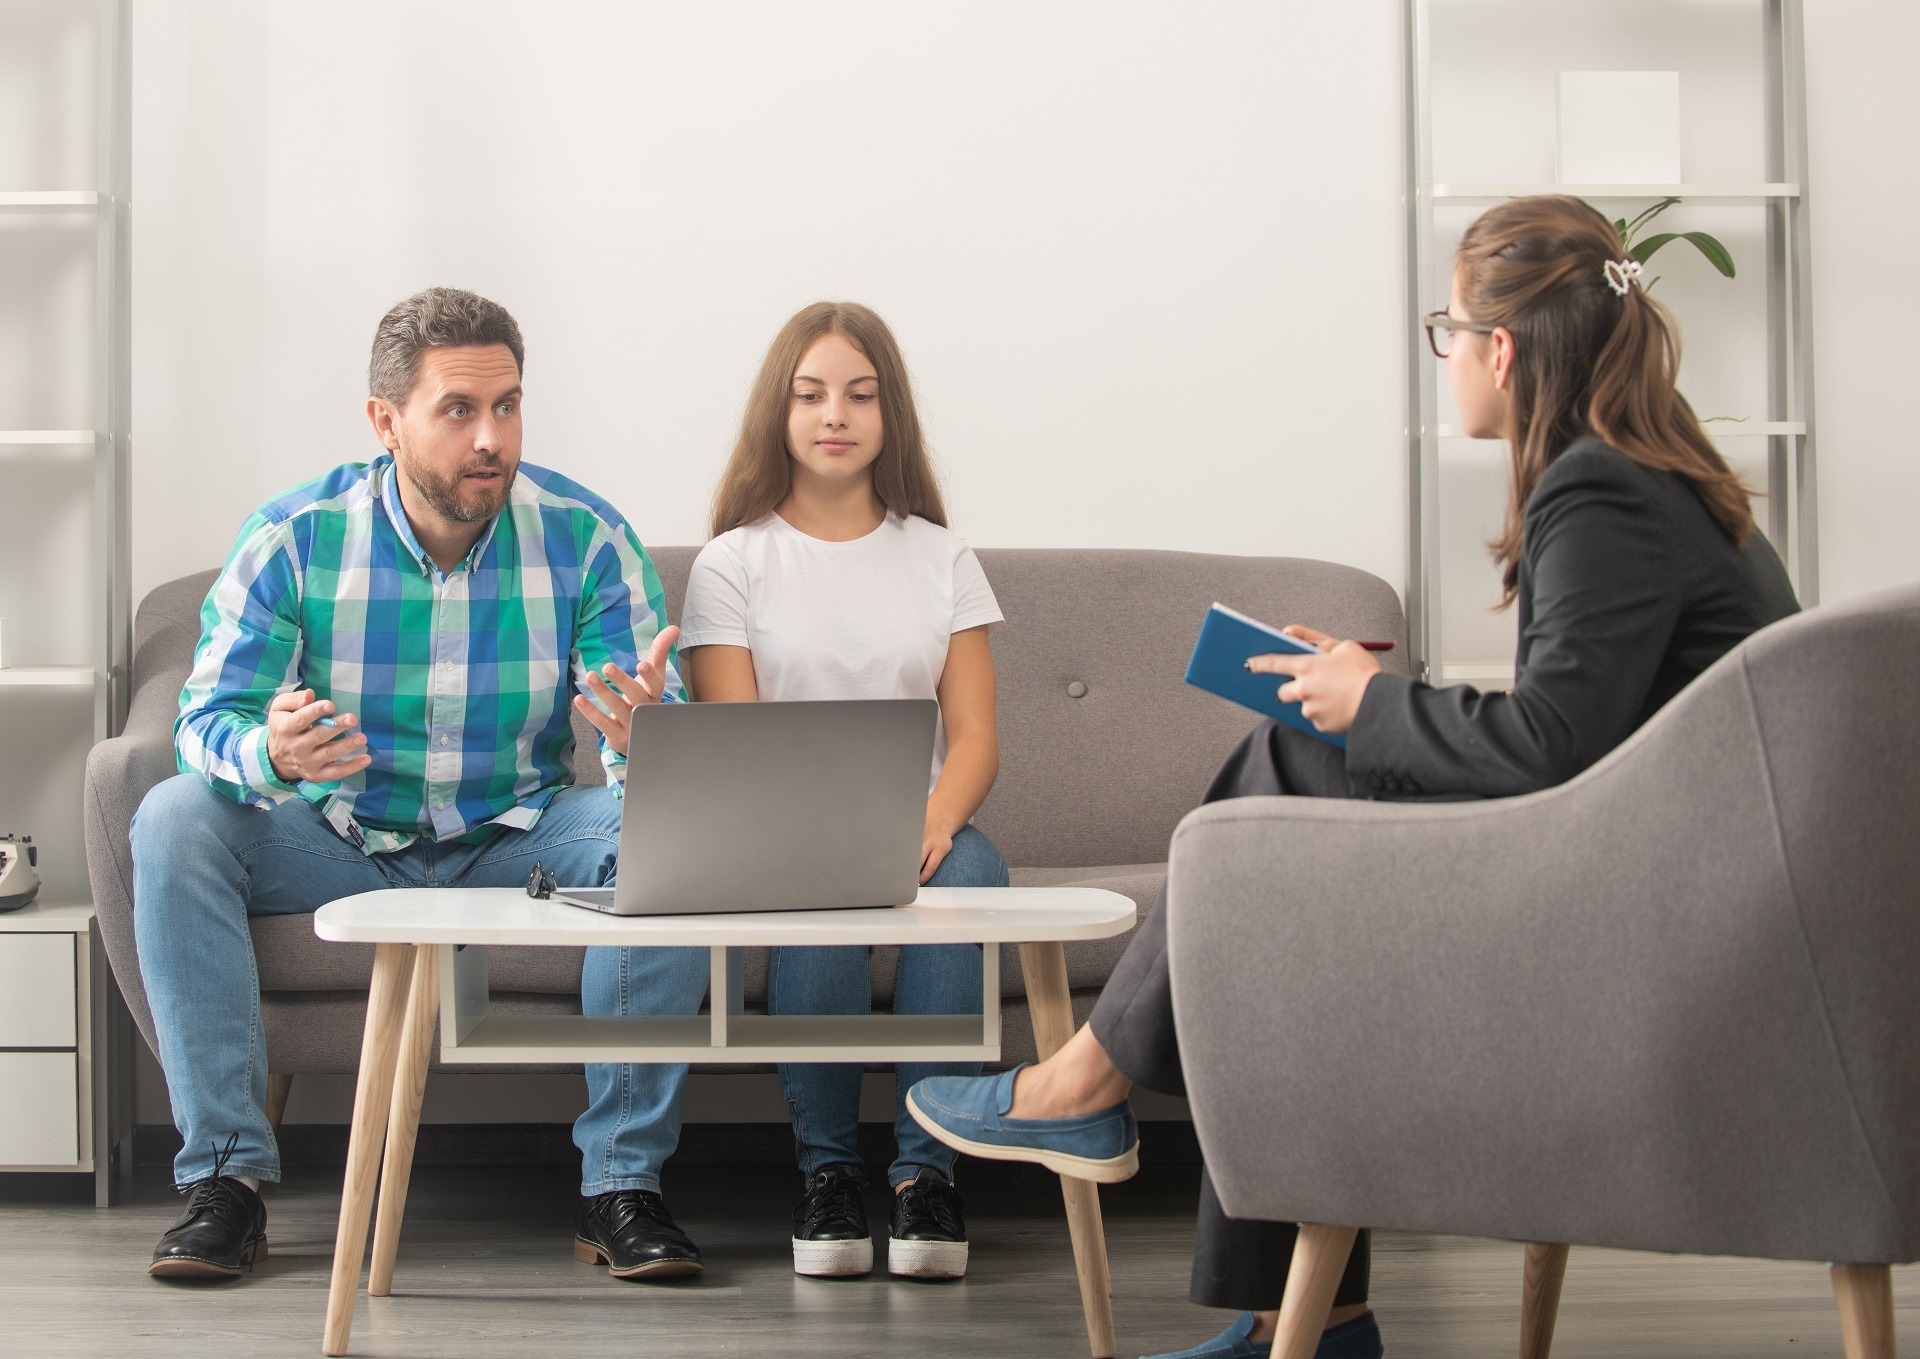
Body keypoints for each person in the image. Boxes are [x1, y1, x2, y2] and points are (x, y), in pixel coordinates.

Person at [907, 195, 1800, 1359]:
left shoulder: (1599, 491)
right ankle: (1298, 1307)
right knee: (1293, 797)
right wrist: (1367, 702)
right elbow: (1581, 735)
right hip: (1675, 891)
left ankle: (1092, 1089)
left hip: (1647, 936)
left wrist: (1374, 708)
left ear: (1503, 348)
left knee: (1284, 815)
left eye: (1448, 331)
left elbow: (1550, 748)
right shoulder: (1649, 476)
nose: (1447, 358)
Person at [134, 288, 713, 1284]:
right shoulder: (294, 537)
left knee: (666, 829)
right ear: (385, 420)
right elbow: (203, 724)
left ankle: (621, 1186)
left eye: (509, 407)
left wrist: (640, 742)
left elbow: (644, 738)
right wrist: (271, 753)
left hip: (516, 836)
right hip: (341, 841)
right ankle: (225, 1184)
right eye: (458, 410)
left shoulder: (586, 536)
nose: (491, 438)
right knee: (174, 819)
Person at [678, 302, 1007, 1280]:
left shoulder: (942, 554)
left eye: (860, 396)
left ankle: (925, 1179)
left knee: (977, 871)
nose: (836, 415)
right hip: (787, 840)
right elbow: (737, 746)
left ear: (888, 414)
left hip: (923, 832)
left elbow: (979, 735)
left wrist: (936, 819)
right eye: (813, 393)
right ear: (778, 413)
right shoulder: (731, 562)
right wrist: (829, 836)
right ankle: (827, 1176)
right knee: (817, 892)